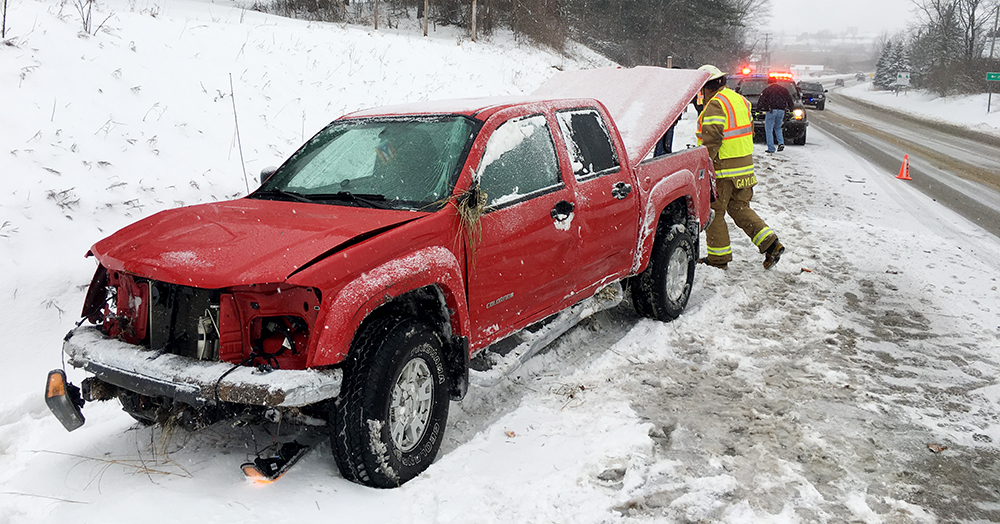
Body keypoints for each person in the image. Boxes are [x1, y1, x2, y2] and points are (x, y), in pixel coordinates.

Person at [696, 64, 785, 270]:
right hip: (744, 168)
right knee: (739, 207)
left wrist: (703, 165)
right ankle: (771, 244)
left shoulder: (715, 105)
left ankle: (719, 259)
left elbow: (712, 139)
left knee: (715, 212)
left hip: (723, 170)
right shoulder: (740, 100)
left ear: (706, 87)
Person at [756, 76, 794, 154]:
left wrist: (758, 110)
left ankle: (771, 148)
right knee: (778, 127)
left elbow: (761, 100)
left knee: (769, 129)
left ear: (769, 82)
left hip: (771, 111)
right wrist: (791, 110)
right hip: (781, 111)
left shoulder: (767, 90)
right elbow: (789, 100)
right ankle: (781, 143)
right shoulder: (783, 90)